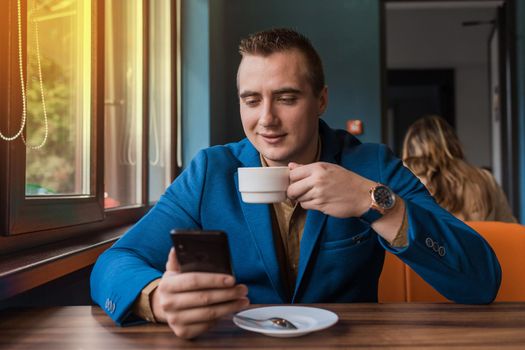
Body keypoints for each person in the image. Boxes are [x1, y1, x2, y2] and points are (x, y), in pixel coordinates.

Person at [90, 28, 501, 339]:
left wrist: (372, 201)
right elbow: (113, 264)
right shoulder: (209, 172)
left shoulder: (371, 165)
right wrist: (158, 299)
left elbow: (480, 280)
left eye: (286, 98)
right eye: (251, 100)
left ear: (320, 100)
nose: (265, 118)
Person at [402, 115, 516, 223]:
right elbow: (510, 229)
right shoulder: (486, 178)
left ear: (410, 151)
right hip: (484, 243)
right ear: (452, 143)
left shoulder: (411, 183)